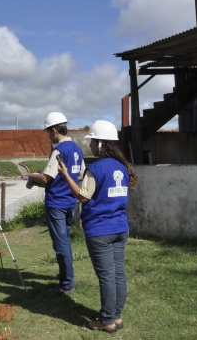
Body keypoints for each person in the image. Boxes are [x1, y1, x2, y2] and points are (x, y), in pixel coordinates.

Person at [57, 120, 139, 333]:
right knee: (118, 273)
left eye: (92, 141)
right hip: (120, 228)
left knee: (106, 276)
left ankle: (106, 320)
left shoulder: (96, 169)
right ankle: (117, 316)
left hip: (100, 231)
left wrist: (66, 174)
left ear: (101, 144)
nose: (91, 145)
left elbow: (83, 198)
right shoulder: (122, 167)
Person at [27, 111, 85, 294]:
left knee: (61, 244)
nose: (48, 136)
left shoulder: (59, 150)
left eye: (48, 132)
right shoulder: (77, 149)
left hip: (56, 204)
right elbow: (81, 174)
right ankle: (65, 277)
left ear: (54, 130)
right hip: (70, 203)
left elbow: (46, 178)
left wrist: (30, 176)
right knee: (64, 241)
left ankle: (67, 284)